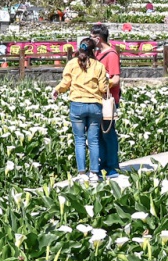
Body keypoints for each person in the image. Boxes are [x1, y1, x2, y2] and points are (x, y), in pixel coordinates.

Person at [53, 38, 111, 183]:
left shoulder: (72, 64)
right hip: (94, 106)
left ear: (79, 48)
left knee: (79, 140)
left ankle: (81, 173)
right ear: (93, 50)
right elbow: (103, 89)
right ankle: (94, 173)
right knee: (93, 141)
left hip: (77, 105)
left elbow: (65, 83)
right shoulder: (99, 65)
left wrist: (57, 90)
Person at [91, 24, 123, 179]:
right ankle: (103, 164)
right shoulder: (97, 54)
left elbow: (116, 79)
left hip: (107, 100)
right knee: (98, 133)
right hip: (98, 98)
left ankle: (112, 166)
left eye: (92, 37)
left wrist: (103, 83)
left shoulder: (111, 55)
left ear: (98, 38)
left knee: (108, 132)